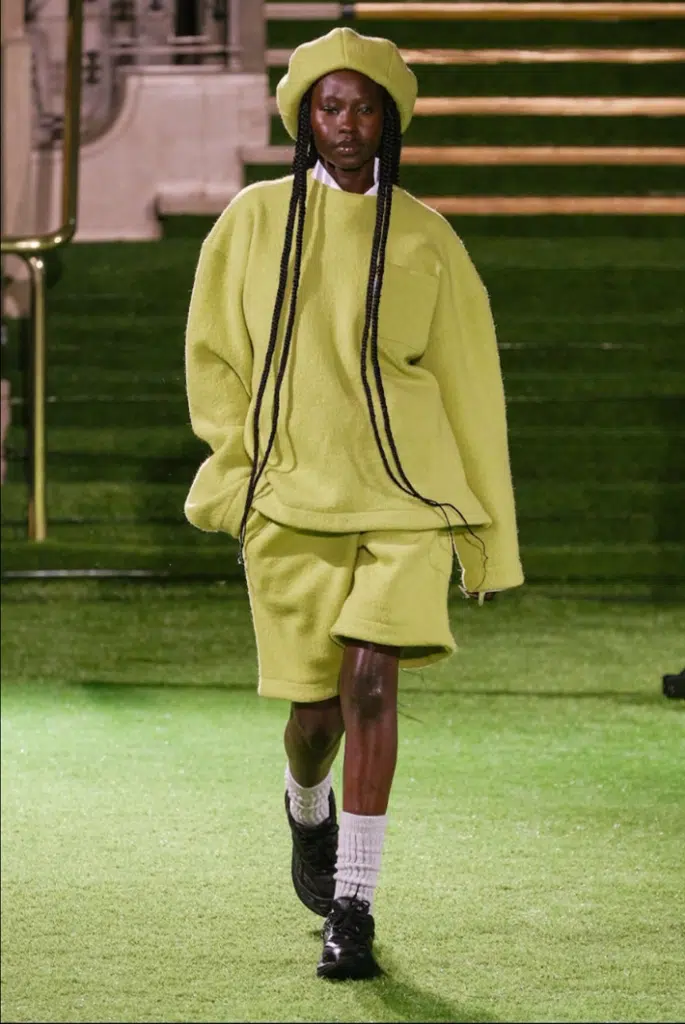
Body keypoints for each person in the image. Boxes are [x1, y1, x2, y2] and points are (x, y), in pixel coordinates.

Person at [184, 27, 524, 981]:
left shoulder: (426, 237)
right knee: (314, 713)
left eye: (364, 106)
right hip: (292, 491)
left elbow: (468, 386)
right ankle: (304, 801)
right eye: (330, 106)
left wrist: (484, 538)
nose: (346, 123)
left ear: (391, 119)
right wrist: (239, 465)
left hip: (406, 494)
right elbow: (212, 356)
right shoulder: (250, 220)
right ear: (303, 116)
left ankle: (354, 904)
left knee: (371, 680)